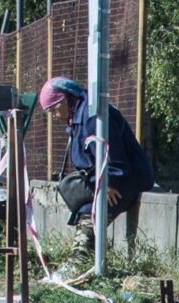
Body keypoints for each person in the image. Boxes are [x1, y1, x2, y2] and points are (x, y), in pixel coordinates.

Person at [39, 76, 155, 248]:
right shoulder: (78, 116)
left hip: (125, 179)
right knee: (83, 211)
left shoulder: (93, 116)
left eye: (53, 110)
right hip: (103, 180)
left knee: (89, 216)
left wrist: (109, 182)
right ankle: (87, 255)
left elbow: (113, 154)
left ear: (65, 100)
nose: (54, 116)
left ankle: (80, 256)